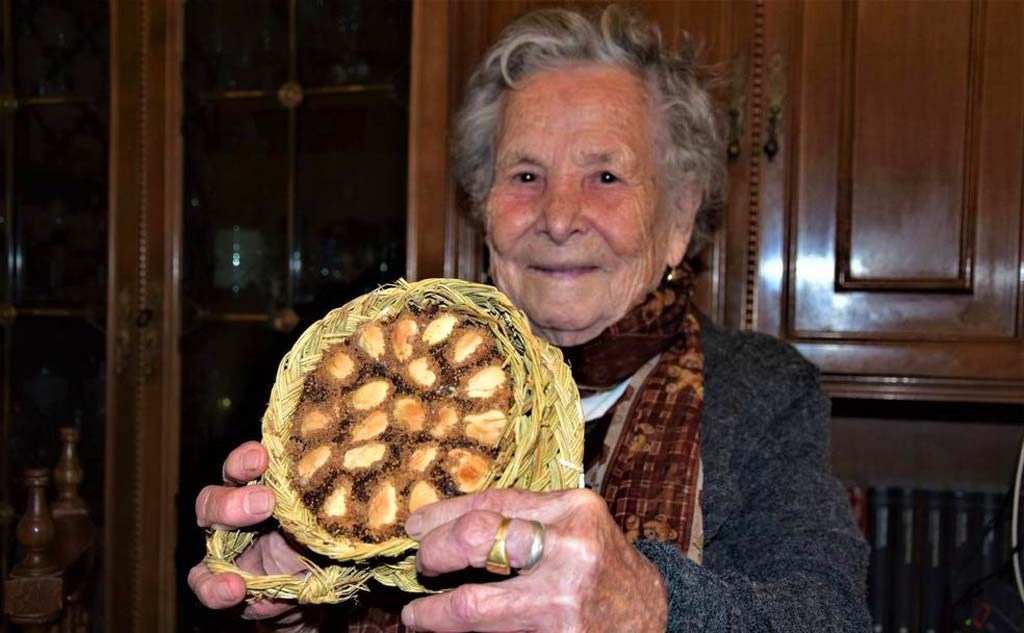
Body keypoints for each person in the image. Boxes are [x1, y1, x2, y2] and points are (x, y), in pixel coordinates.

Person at [188, 6, 869, 632]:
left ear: (679, 220)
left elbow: (828, 613)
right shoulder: (386, 383)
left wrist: (648, 602)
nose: (559, 217)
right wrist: (302, 602)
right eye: (525, 176)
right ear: (483, 208)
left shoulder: (760, 390)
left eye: (605, 177)